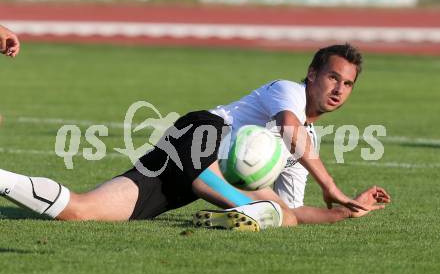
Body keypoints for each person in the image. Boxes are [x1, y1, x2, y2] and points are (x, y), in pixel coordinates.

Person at [0, 41, 390, 231]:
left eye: (348, 84)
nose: (338, 88)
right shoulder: (287, 90)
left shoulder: (311, 146)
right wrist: (330, 185)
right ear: (311, 74)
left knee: (80, 212)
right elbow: (290, 126)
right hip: (199, 134)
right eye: (332, 77)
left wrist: (345, 210)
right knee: (269, 214)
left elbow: (294, 209)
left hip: (187, 181)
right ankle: (231, 212)